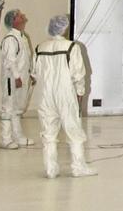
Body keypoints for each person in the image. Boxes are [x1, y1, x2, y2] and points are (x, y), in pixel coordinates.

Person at [34, 15, 96, 178]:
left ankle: (51, 169)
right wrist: (80, 92)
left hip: (45, 94)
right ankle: (78, 167)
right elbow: (78, 74)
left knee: (48, 132)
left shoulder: (40, 47)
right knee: (73, 129)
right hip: (65, 93)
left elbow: (34, 73)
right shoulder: (71, 47)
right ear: (64, 28)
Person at [0, 9, 36, 149]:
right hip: (11, 79)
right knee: (8, 107)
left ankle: (18, 136)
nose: (24, 16)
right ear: (14, 20)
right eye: (21, 15)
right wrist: (16, 77)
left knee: (17, 108)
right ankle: (6, 139)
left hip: (22, 77)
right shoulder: (10, 39)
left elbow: (25, 59)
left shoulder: (23, 37)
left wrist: (31, 74)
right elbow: (10, 61)